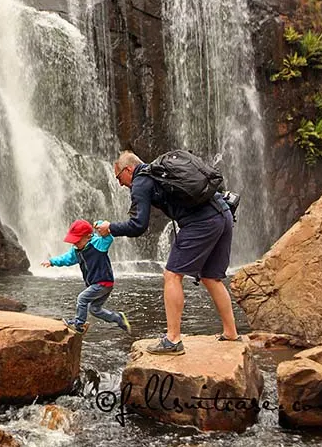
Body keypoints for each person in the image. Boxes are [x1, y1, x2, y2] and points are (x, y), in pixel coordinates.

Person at [95, 151, 239, 355]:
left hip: (202, 222)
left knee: (171, 275)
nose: (119, 184)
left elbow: (138, 225)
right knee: (211, 277)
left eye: (119, 177)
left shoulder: (141, 182)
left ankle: (172, 340)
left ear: (128, 170)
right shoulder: (160, 171)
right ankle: (231, 332)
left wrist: (110, 228)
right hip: (223, 212)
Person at [42, 219, 131, 336]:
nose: (74, 243)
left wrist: (99, 224)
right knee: (95, 310)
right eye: (73, 241)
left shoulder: (98, 244)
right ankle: (118, 319)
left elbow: (108, 237)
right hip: (100, 284)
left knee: (82, 299)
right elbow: (66, 259)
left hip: (102, 282)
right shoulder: (77, 250)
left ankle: (79, 325)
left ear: (88, 236)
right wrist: (52, 262)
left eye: (77, 241)